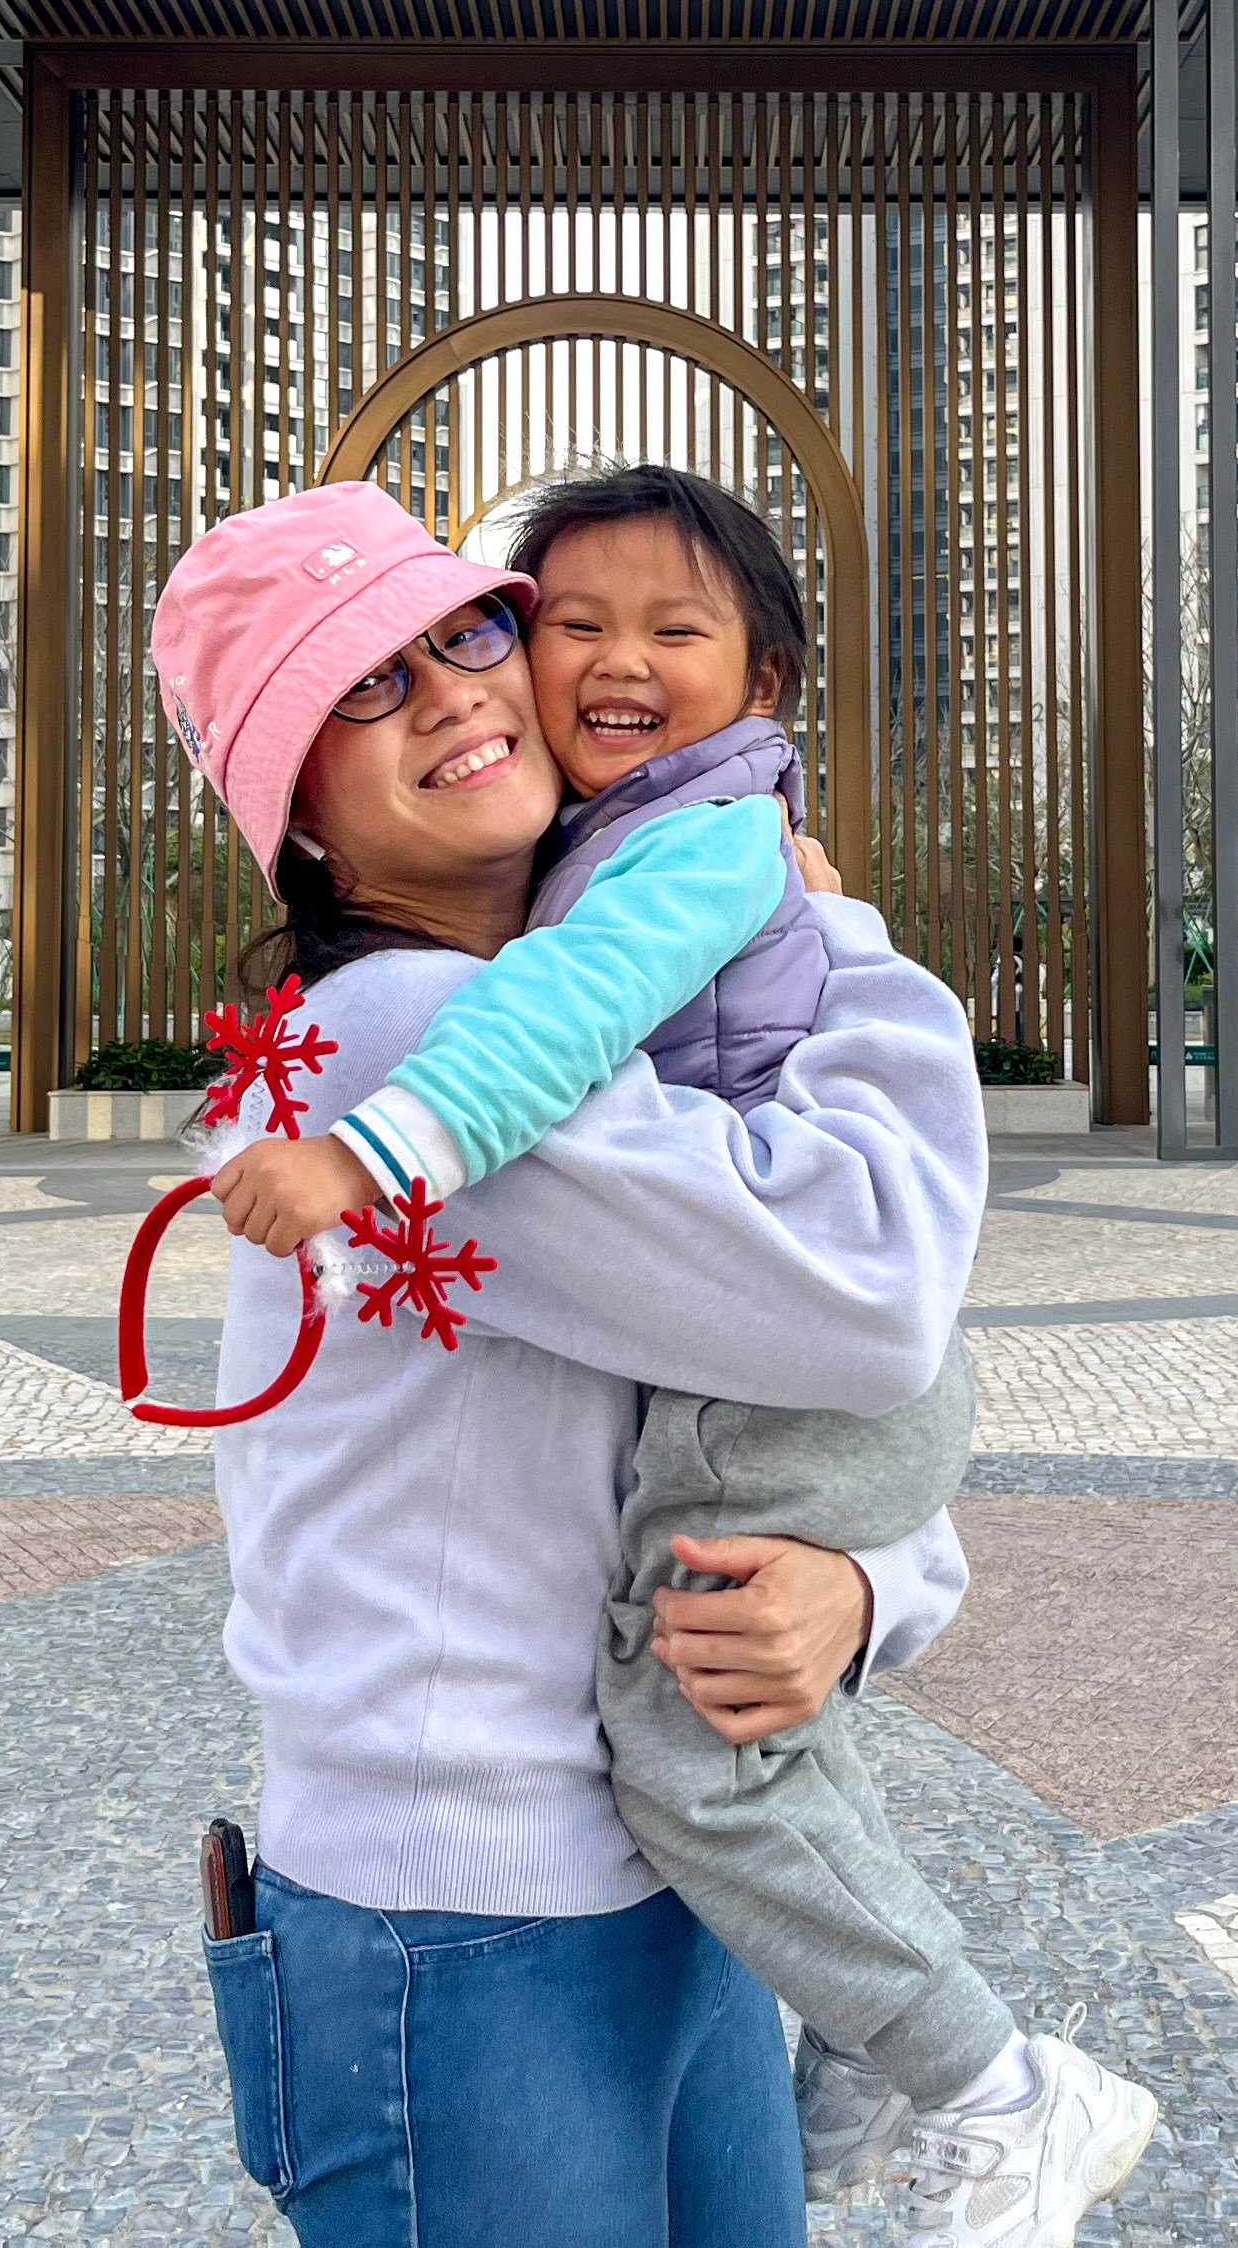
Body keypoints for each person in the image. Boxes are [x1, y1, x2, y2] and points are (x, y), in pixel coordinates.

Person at [207, 467, 1159, 2236]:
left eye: (464, 635)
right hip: (471, 1912)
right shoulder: (401, 1046)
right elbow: (870, 1299)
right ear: (301, 822)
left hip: (672, 1864)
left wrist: (861, 1592)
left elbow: (756, 1411)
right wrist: (840, 927)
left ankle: (928, 2051)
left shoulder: (586, 1007)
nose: (461, 693)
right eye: (366, 689)